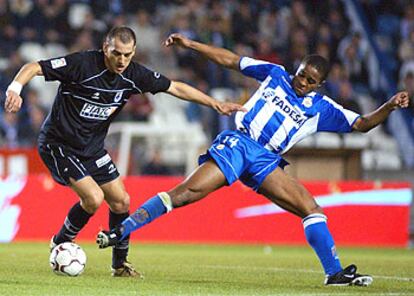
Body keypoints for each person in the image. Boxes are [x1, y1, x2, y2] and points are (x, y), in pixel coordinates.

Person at [96, 33, 410, 286]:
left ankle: (334, 273)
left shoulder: (324, 108)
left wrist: (390, 105)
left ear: (319, 84)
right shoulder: (275, 74)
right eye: (301, 75)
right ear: (296, 69)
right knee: (184, 195)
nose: (302, 83)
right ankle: (120, 232)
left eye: (310, 81)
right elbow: (231, 60)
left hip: (266, 160)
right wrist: (191, 44)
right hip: (239, 143)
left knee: (311, 209)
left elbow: (363, 124)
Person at [3, 27, 244, 277]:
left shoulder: (133, 75)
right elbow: (33, 67)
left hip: (92, 149)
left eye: (127, 55)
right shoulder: (82, 64)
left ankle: (119, 266)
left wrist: (215, 103)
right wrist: (15, 89)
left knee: (122, 201)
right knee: (94, 198)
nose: (121, 60)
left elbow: (175, 88)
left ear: (134, 52)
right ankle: (61, 240)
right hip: (58, 144)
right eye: (116, 53)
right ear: (105, 47)